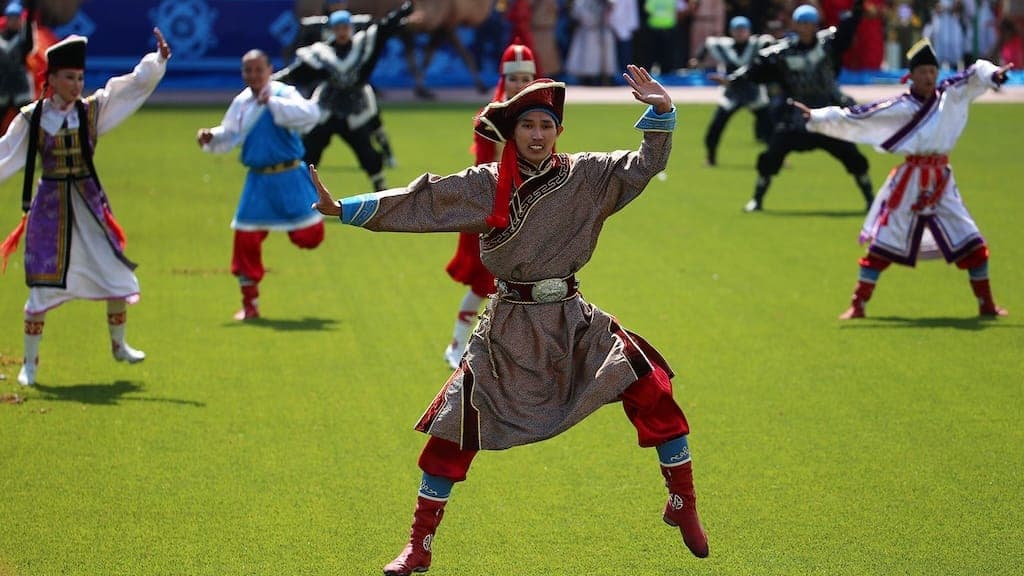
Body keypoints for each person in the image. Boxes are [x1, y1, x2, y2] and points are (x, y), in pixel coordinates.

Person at [309, 65, 709, 575]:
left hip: (572, 320)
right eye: (527, 126)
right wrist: (345, 207)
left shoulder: (588, 176)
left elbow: (645, 163)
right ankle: (419, 545)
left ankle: (682, 502)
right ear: (513, 133)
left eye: (546, 125)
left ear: (559, 132)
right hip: (508, 328)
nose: (537, 135)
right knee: (454, 426)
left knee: (650, 383)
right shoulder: (486, 185)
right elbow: (423, 201)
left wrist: (663, 111)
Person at [792, 39, 1012, 319]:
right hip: (910, 181)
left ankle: (987, 305)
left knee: (972, 241)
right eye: (923, 72)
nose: (929, 77)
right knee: (883, 243)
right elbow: (858, 116)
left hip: (942, 182)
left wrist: (994, 74)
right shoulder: (899, 106)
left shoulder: (950, 95)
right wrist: (818, 116)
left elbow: (976, 71)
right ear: (911, 76)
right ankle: (858, 304)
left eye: (932, 71)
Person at [0, 29, 170, 386]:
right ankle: (30, 364)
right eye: (69, 78)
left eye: (80, 78)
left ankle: (119, 345)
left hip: (90, 202)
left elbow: (128, 88)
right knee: (43, 285)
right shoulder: (32, 119)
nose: (77, 85)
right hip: (50, 208)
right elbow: (5, 155)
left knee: (116, 272)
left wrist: (155, 62)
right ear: (51, 78)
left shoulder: (90, 111)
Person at [196, 49, 325, 321]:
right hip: (258, 181)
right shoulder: (242, 102)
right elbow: (229, 134)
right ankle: (250, 304)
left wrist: (272, 105)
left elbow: (310, 116)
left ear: (270, 70)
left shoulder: (282, 94)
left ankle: (297, 226)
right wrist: (211, 137)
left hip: (290, 177)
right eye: (248, 71)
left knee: (310, 237)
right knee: (245, 239)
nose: (253, 76)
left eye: (258, 70)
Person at [442, 40, 537, 370]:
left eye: (527, 78)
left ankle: (520, 351)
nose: (521, 84)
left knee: (531, 284)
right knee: (485, 283)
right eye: (515, 78)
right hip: (496, 209)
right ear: (504, 79)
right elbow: (487, 170)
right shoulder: (491, 117)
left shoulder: (540, 114)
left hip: (531, 206)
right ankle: (457, 343)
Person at [726, 2, 876, 212]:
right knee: (772, 154)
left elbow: (847, 28)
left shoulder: (829, 43)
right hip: (797, 115)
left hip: (827, 113)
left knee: (852, 156)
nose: (805, 27)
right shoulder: (782, 52)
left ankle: (871, 198)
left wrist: (857, 9)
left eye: (809, 23)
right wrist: (735, 79)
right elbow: (757, 68)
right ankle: (757, 198)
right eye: (801, 23)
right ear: (795, 24)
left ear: (816, 25)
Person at [274, 3, 412, 191]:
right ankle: (303, 190)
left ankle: (380, 188)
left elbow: (385, 28)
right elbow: (298, 72)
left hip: (356, 106)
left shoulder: (363, 45)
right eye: (337, 28)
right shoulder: (321, 52)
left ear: (351, 28)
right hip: (327, 106)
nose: (342, 32)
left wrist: (405, 9)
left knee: (367, 150)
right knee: (311, 148)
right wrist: (271, 80)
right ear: (331, 30)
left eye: (345, 27)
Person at [689, 15, 774, 166]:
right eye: (737, 30)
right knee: (716, 126)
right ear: (731, 32)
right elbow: (709, 43)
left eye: (743, 30)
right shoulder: (725, 46)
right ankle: (710, 157)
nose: (740, 33)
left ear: (749, 31)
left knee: (769, 127)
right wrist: (698, 59)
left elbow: (772, 43)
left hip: (753, 92)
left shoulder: (757, 44)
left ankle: (778, 157)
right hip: (731, 93)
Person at [1, 0, 35, 134]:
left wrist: (29, 10)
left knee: (29, 124)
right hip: (2, 90)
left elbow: (29, 38)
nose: (14, 21)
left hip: (21, 90)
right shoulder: (1, 38)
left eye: (17, 18)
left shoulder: (23, 40)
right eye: (12, 18)